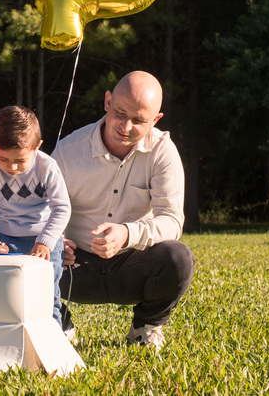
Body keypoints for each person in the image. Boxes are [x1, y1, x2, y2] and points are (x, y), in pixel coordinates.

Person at [51, 70, 195, 349]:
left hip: (134, 262)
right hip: (72, 266)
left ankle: (145, 327)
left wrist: (128, 234)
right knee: (31, 253)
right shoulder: (69, 150)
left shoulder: (163, 152)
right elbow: (43, 213)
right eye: (120, 113)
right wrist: (58, 243)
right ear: (107, 102)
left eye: (139, 121)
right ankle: (59, 323)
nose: (125, 127)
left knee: (178, 258)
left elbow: (172, 220)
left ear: (155, 120)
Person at [0, 105, 71, 325]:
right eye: (3, 159)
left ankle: (51, 339)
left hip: (43, 241)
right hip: (3, 239)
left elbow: (62, 208)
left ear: (37, 147)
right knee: (1, 294)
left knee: (46, 296)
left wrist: (46, 241)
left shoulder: (47, 167)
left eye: (20, 160)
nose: (11, 167)